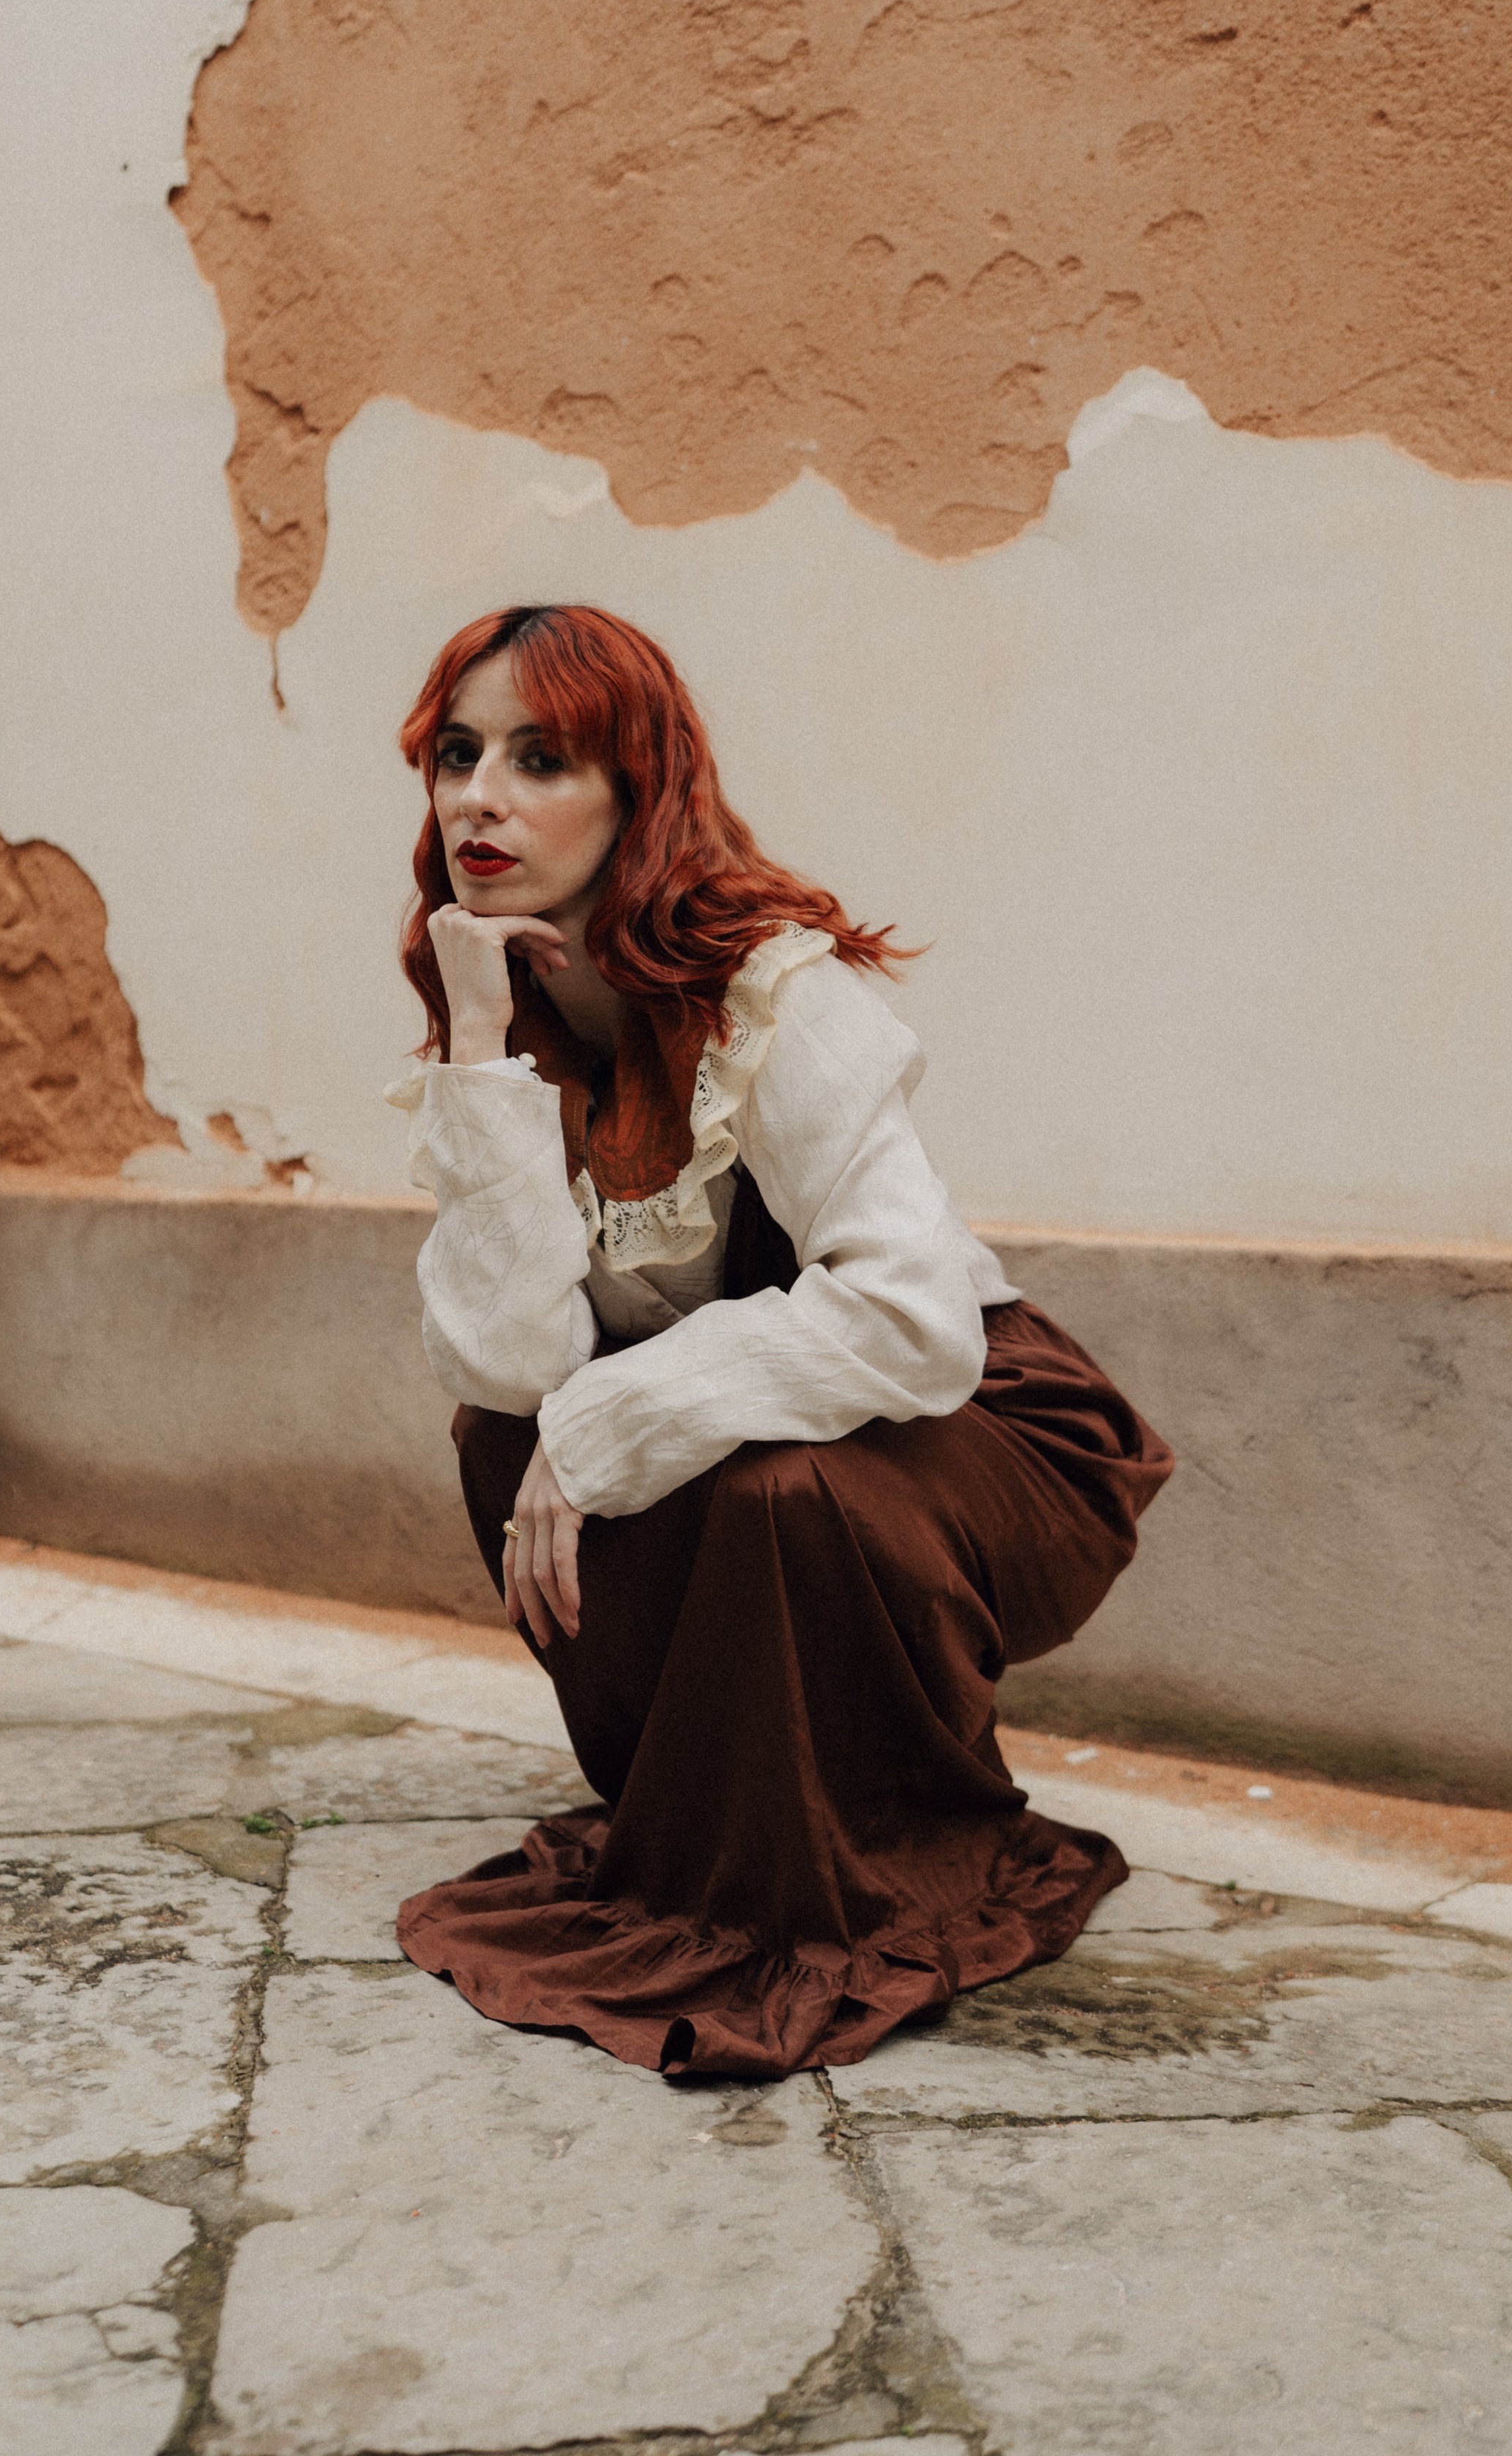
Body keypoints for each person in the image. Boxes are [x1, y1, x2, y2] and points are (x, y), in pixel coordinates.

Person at [385, 602, 1173, 2078]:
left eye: (542, 757)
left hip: (993, 1429)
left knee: (766, 1491)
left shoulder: (772, 989)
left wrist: (604, 1425)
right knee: (495, 1436)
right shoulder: (506, 1010)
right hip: (799, 1424)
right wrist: (480, 1046)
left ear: (635, 788)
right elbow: (504, 1366)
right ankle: (706, 1829)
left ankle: (850, 1862)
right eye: (456, 753)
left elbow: (908, 1318)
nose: (479, 795)